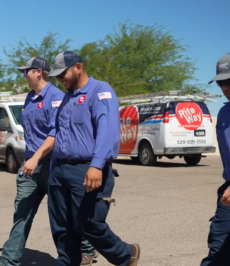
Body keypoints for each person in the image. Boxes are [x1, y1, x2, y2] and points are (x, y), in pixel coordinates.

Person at [0, 56, 98, 266]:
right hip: (31, 166)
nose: (24, 75)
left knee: (66, 215)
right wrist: (30, 159)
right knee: (22, 212)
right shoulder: (29, 98)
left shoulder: (57, 97)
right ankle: (8, 261)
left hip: (52, 165)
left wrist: (36, 158)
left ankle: (86, 249)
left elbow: (56, 134)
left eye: (26, 71)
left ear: (38, 71)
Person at [47, 51, 140, 266]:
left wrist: (97, 165)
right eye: (57, 76)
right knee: (62, 227)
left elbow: (107, 131)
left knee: (88, 224)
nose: (61, 80)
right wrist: (54, 171)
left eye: (63, 74)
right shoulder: (67, 98)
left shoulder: (100, 92)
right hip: (60, 170)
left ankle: (126, 254)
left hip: (87, 168)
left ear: (78, 67)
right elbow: (60, 133)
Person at [201, 53, 230, 266]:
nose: (225, 88)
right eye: (220, 84)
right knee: (218, 255)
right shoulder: (225, 113)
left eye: (229, 81)